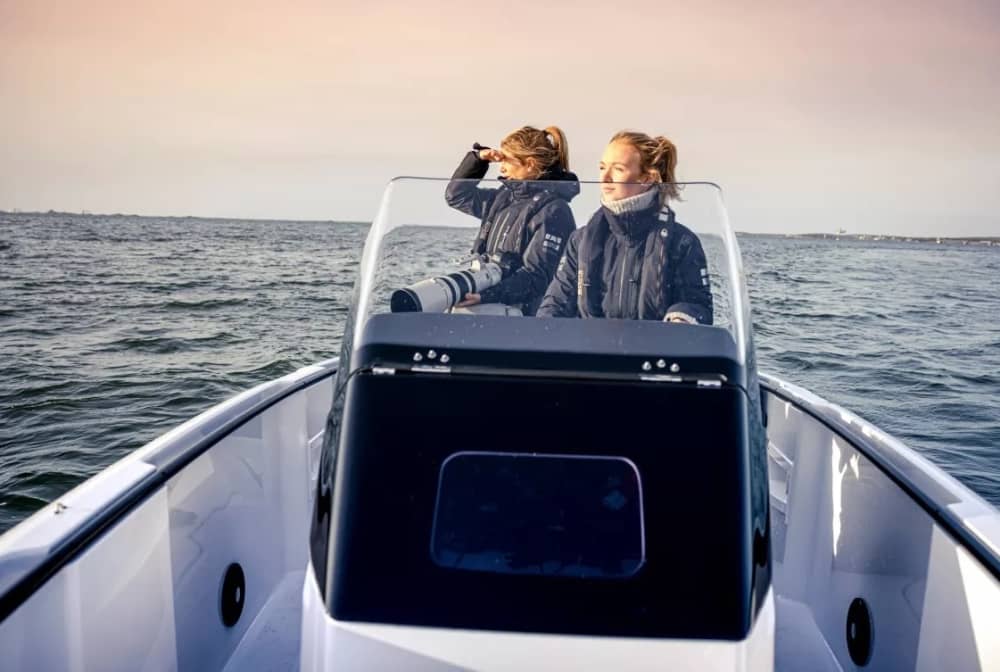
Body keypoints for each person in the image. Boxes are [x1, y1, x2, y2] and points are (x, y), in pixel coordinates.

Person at [537, 131, 713, 324]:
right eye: (602, 167)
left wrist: (681, 319)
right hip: (590, 342)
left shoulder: (681, 242)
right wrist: (543, 330)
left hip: (655, 343)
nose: (605, 177)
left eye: (618, 169)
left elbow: (697, 304)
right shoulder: (580, 240)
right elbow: (556, 303)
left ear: (647, 178)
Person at [445, 126, 579, 316]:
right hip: (490, 304)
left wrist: (487, 296)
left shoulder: (554, 211)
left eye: (506, 159)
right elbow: (456, 196)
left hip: (525, 316)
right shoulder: (502, 199)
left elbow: (537, 276)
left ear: (530, 164)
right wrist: (478, 160)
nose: (501, 167)